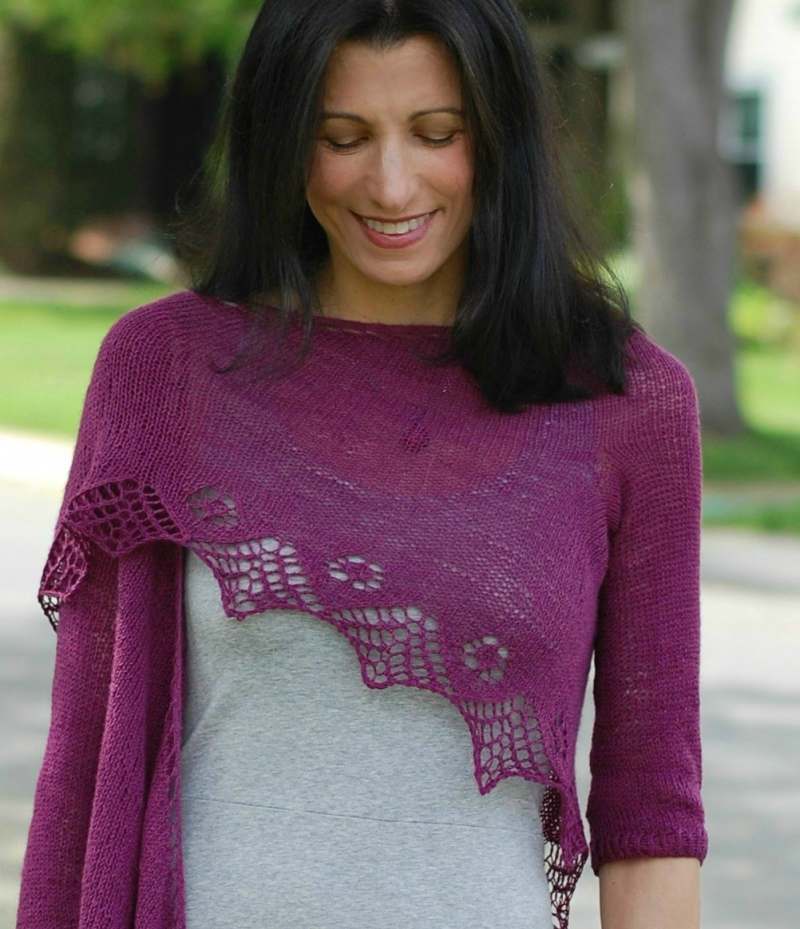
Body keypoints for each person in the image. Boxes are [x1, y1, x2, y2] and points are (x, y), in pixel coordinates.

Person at [17, 2, 708, 928]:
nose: (390, 183)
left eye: (437, 133)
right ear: (283, 143)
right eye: (341, 138)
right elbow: (89, 767)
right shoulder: (166, 370)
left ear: (500, 136)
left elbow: (651, 809)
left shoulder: (627, 401)